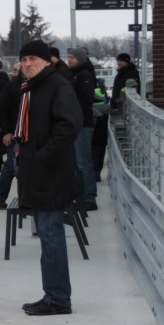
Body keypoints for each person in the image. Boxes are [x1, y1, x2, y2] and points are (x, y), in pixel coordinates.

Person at [15, 40, 82, 315]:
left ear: (46, 61)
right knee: (46, 235)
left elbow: (69, 125)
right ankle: (52, 294)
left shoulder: (57, 86)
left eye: (33, 59)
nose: (27, 64)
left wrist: (43, 157)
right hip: (38, 174)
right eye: (24, 59)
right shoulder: (32, 88)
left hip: (51, 174)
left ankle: (58, 299)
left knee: (52, 236)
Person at [67, 46, 97, 211]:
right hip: (76, 124)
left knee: (83, 163)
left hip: (83, 125)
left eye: (71, 57)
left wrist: (71, 113)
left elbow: (86, 100)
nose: (69, 59)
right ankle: (80, 196)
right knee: (77, 164)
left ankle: (89, 198)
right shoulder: (75, 74)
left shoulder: (84, 75)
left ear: (79, 59)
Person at [0, 62, 23, 208]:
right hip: (14, 134)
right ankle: (0, 197)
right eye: (16, 69)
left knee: (14, 166)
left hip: (26, 132)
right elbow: (3, 109)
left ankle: (20, 197)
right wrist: (6, 131)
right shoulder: (11, 87)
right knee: (11, 166)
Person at [91, 78, 110, 181]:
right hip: (103, 138)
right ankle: (98, 171)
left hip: (93, 138)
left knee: (93, 155)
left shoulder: (91, 110)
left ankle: (95, 173)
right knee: (100, 155)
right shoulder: (107, 110)